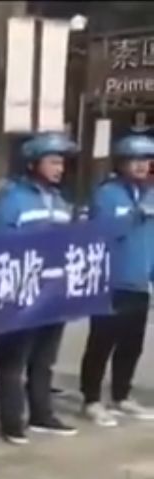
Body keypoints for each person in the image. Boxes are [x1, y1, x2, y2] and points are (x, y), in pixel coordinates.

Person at [0, 131, 80, 443]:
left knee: (43, 359)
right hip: (20, 290)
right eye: (53, 161)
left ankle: (42, 414)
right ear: (32, 163)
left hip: (53, 291)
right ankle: (12, 421)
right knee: (12, 361)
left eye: (62, 163)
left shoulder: (60, 201)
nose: (59, 168)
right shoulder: (11, 199)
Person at [79, 134, 154, 425]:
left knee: (132, 345)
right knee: (101, 343)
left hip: (139, 283)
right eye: (135, 160)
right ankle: (91, 400)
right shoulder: (107, 194)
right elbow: (102, 232)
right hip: (110, 283)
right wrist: (134, 216)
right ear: (121, 163)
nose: (142, 165)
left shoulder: (150, 193)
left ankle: (122, 396)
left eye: (147, 160)